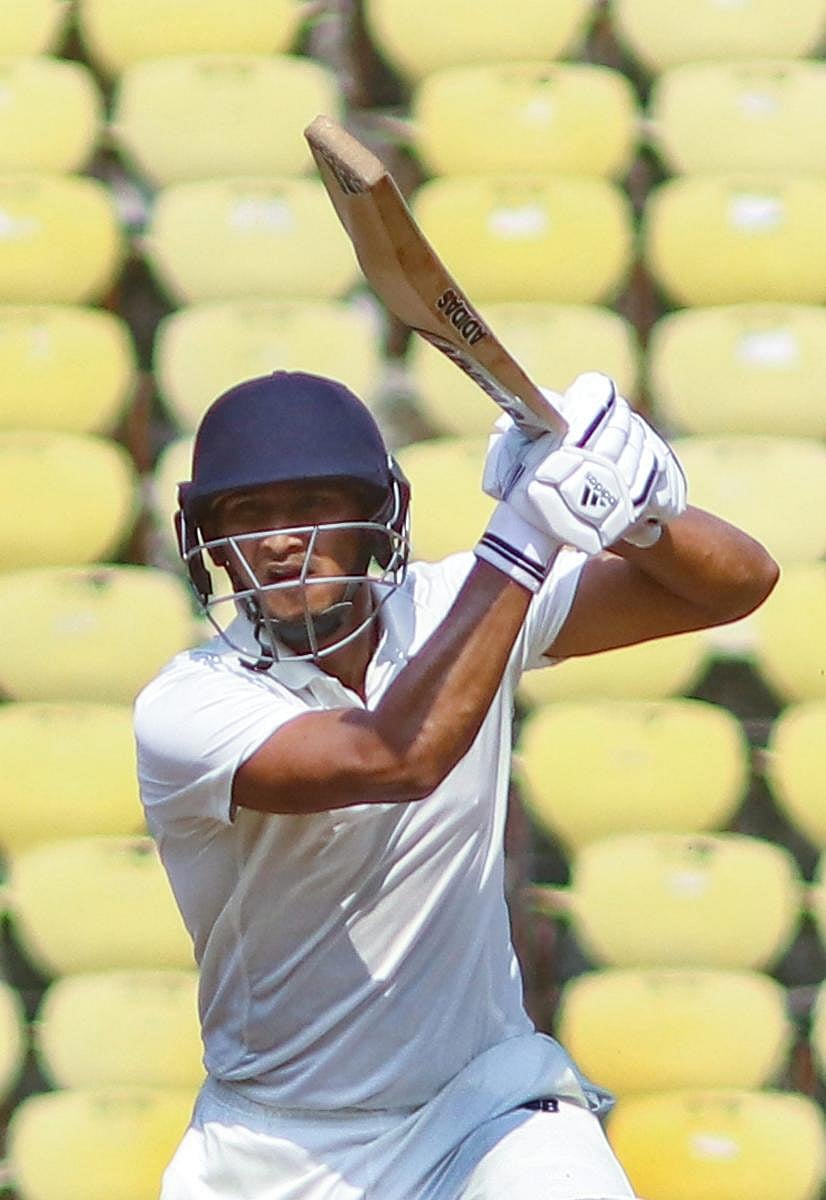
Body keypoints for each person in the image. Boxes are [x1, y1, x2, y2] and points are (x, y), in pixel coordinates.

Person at [135, 369, 778, 1200]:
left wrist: (642, 513)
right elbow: (396, 757)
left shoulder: (453, 607)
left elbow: (738, 583)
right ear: (209, 545)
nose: (282, 540)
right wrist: (527, 532)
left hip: (485, 1106)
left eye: (313, 507)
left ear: (378, 518)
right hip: (276, 1144)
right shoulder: (188, 705)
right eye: (248, 516)